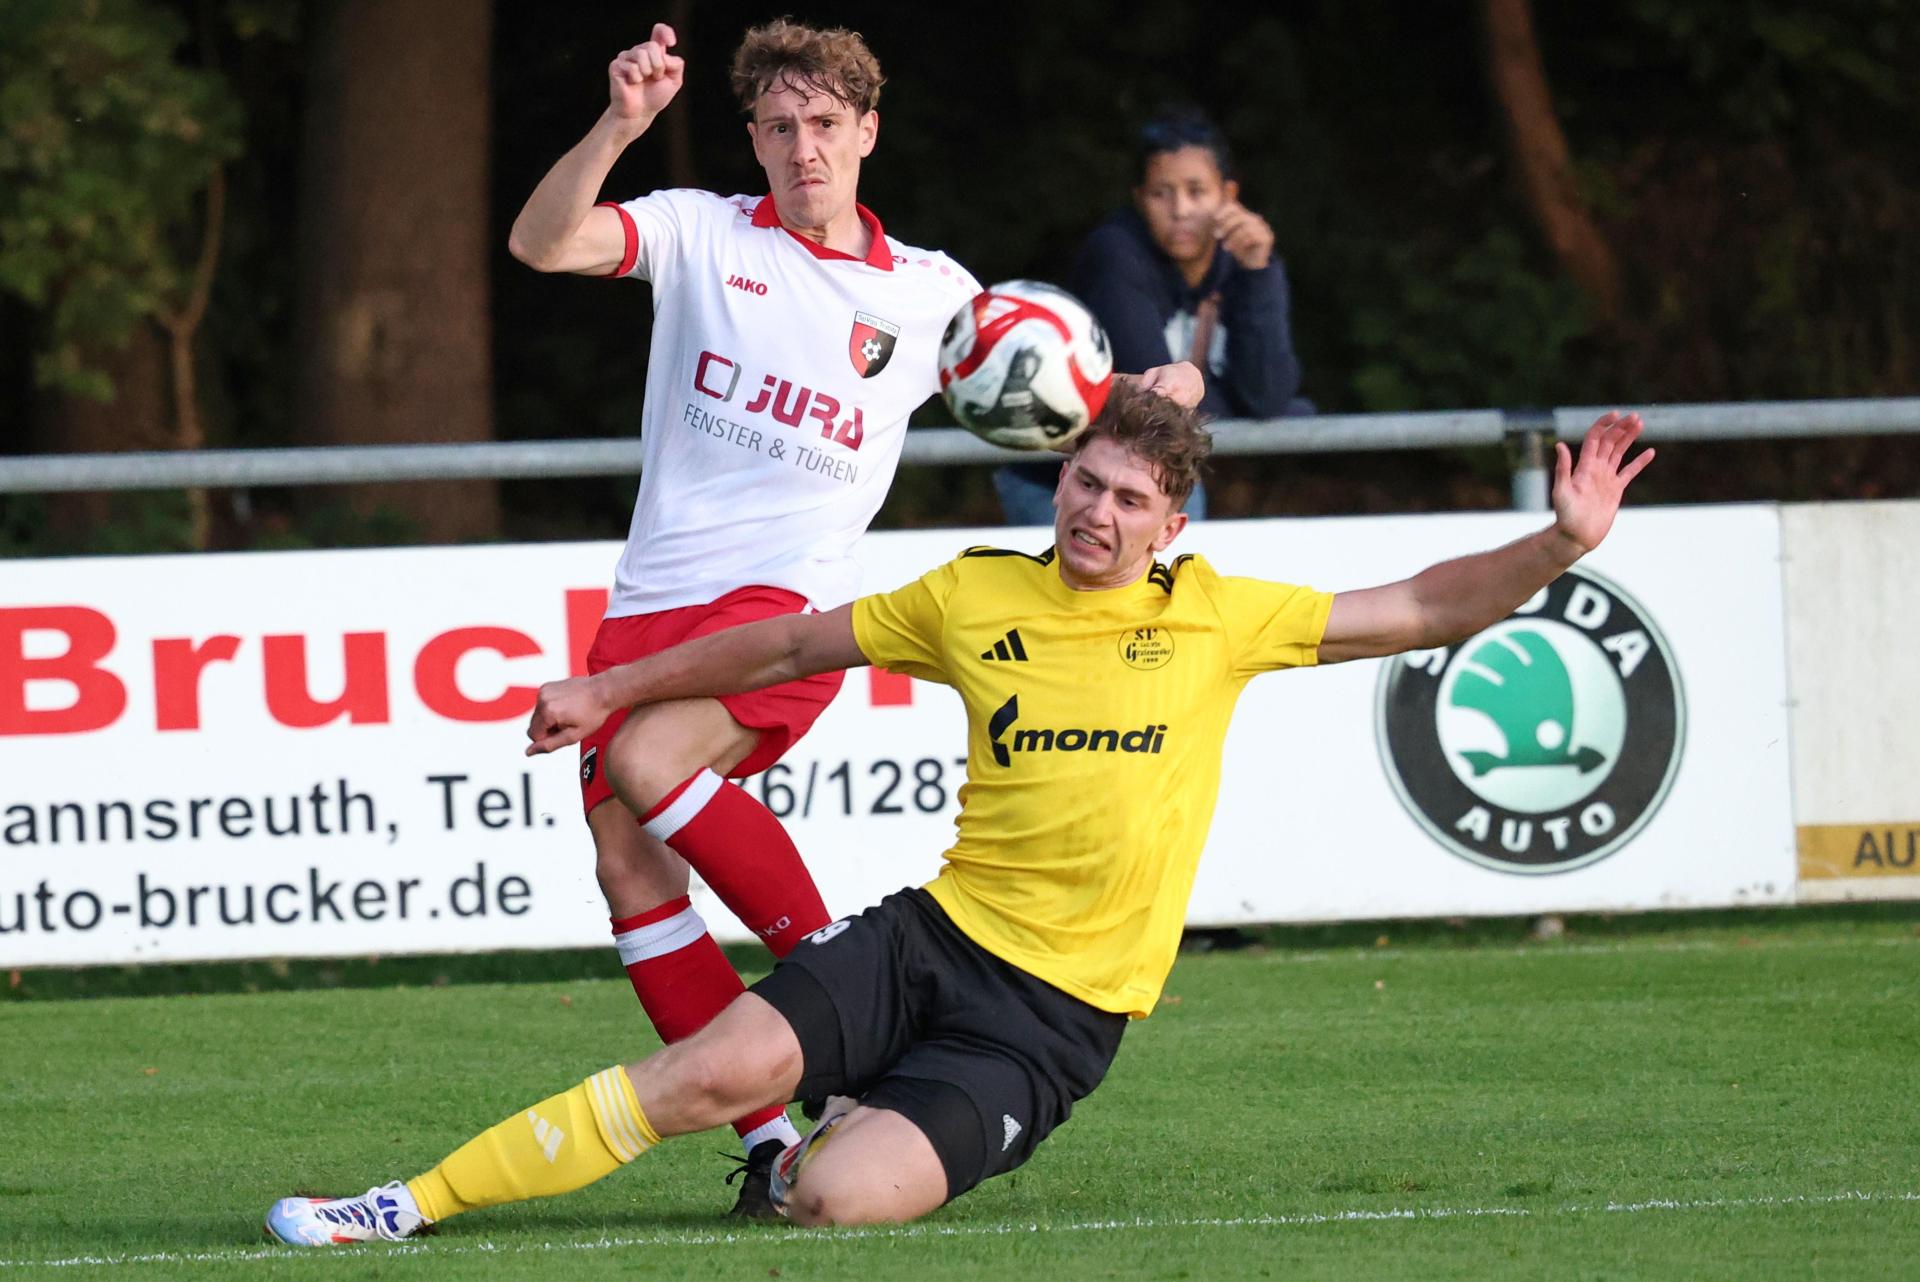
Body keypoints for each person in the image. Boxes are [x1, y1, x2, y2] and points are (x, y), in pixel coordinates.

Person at [263, 386, 1652, 1242]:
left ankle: (847, 1109)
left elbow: (1418, 608)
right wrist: (610, 683)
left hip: (1056, 1021)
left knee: (828, 1199)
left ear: (1175, 519)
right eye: (1085, 482)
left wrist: (1560, 542)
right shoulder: (974, 593)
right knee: (701, 1077)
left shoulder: (1226, 618)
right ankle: (398, 1204)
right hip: (934, 937)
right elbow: (787, 649)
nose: (1097, 513)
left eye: (1129, 498)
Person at [503, 20, 1203, 1213]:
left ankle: (853, 1000)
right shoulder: (697, 231)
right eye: (779, 126)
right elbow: (542, 240)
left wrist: (1155, 387)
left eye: (826, 123)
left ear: (868, 132)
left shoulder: (931, 294)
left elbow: (1053, 383)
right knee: (628, 862)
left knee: (645, 752)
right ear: (755, 140)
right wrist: (621, 122)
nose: (802, 146)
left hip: (786, 610)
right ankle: (776, 1137)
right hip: (654, 598)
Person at [995, 109, 1305, 525]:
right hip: (1063, 482)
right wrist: (1231, 401)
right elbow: (1155, 408)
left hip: (1145, 477)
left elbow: (1267, 395)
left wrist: (1259, 273)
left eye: (1197, 191)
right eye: (1162, 193)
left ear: (1228, 196)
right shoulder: (1116, 256)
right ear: (1140, 199)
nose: (1180, 210)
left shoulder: (1243, 260)